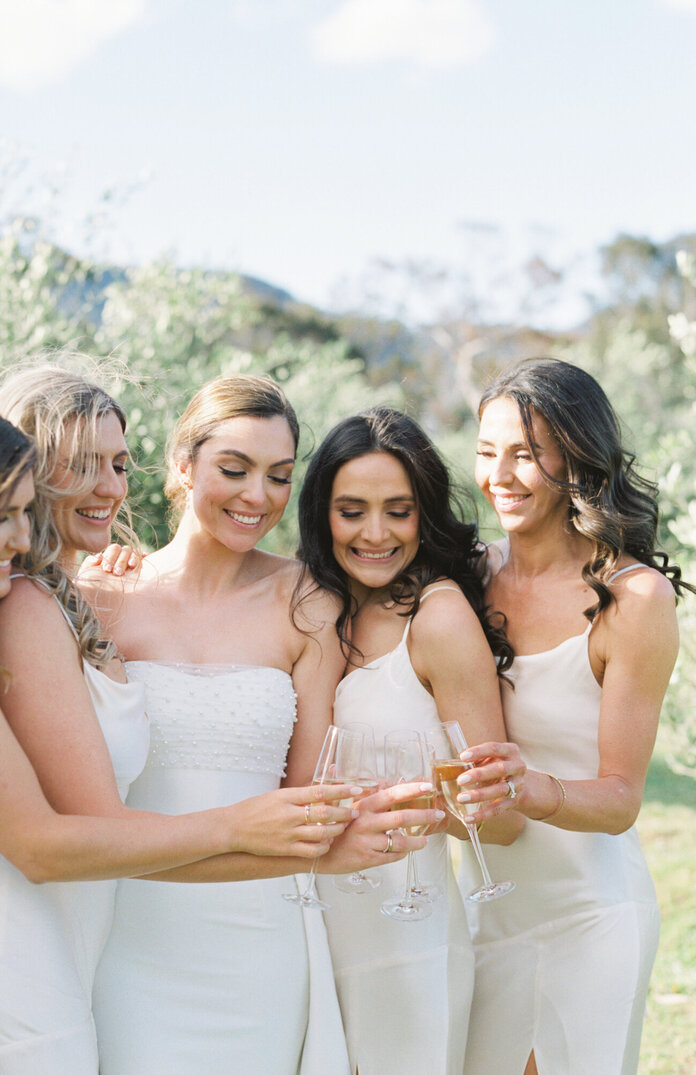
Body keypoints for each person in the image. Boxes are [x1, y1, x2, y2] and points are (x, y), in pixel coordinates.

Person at [0, 375, 383, 1074]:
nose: (108, 486)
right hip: (68, 943)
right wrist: (258, 832)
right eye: (83, 464)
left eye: (118, 464)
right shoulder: (53, 601)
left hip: (152, 934)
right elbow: (63, 834)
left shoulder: (71, 598)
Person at [82, 375, 434, 1075]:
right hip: (127, 929)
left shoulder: (308, 603)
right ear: (183, 466)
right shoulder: (103, 595)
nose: (257, 497)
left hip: (260, 934)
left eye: (278, 476)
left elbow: (309, 799)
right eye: (234, 469)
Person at [457, 357, 690, 1075]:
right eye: (488, 452)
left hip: (591, 913)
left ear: (578, 459)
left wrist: (530, 788)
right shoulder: (460, 575)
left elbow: (621, 797)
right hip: (476, 912)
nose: (500, 475)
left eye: (526, 455)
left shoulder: (634, 599)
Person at [295, 406, 523, 1075]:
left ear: (425, 513)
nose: (375, 533)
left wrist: (418, 802)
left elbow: (500, 822)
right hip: (309, 921)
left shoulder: (440, 615)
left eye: (398, 510)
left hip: (402, 933)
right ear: (320, 513)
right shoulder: (312, 598)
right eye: (351, 509)